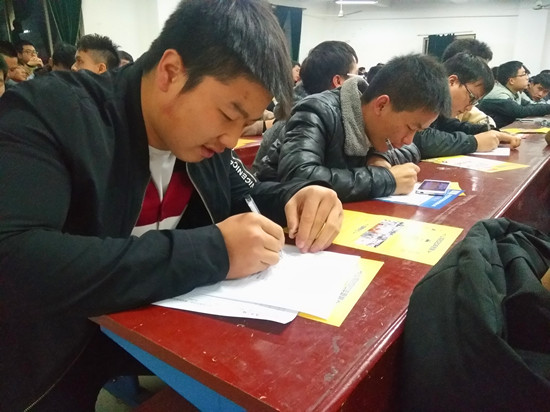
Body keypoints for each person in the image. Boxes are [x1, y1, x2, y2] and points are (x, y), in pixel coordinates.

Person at [0, 0, 343, 410]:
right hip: (53, 349)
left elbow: (245, 199)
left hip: (161, 328)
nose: (231, 140)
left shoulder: (205, 143)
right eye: (228, 114)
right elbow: (14, 257)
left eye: (245, 121)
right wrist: (212, 252)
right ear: (170, 72)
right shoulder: (51, 112)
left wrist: (297, 197)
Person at [255, 54, 451, 202]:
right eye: (410, 127)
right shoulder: (317, 111)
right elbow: (299, 177)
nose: (408, 139)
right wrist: (386, 179)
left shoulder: (376, 126)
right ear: (381, 105)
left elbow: (412, 148)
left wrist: (380, 157)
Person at [251, 40, 359, 173]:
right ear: (338, 81)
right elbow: (307, 178)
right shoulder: (300, 123)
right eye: (355, 76)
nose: (359, 85)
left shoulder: (326, 118)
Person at [413, 52, 520, 159]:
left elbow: (449, 125)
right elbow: (420, 139)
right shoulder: (421, 93)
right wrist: (474, 142)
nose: (469, 108)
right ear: (452, 81)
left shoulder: (438, 106)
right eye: (471, 98)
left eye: (475, 102)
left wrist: (488, 131)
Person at [478, 61, 550, 128]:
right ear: (511, 81)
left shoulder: (515, 92)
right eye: (524, 74)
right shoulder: (499, 93)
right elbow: (520, 111)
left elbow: (529, 105)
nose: (527, 78)